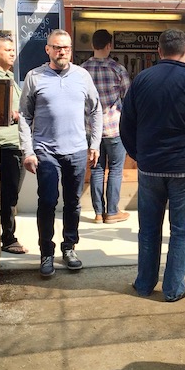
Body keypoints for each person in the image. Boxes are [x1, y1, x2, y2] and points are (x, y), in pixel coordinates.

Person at [121, 28, 185, 302]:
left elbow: (126, 125)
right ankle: (173, 288)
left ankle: (144, 283)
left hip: (150, 167)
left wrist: (138, 154)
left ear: (159, 51)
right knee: (181, 231)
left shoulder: (141, 80)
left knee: (149, 228)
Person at [19, 29, 102, 278]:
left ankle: (69, 248)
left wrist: (94, 144)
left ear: (70, 50)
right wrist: (28, 150)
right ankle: (46, 252)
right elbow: (24, 115)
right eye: (56, 47)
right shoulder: (34, 77)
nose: (61, 51)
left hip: (76, 150)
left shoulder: (82, 76)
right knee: (47, 202)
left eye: (65, 47)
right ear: (48, 50)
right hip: (46, 151)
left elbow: (96, 110)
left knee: (74, 203)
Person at [80, 29, 130, 224]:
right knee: (116, 170)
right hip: (114, 127)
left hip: (91, 129)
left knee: (96, 170)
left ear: (92, 45)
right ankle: (112, 211)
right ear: (110, 45)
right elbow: (128, 97)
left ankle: (98, 213)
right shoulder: (117, 69)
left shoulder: (82, 70)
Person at [0, 31, 28, 256]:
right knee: (9, 195)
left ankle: (6, 234)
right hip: (6, 145)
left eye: (13, 50)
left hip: (16, 144)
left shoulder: (8, 76)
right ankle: (8, 237)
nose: (12, 54)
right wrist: (15, 114)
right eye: (7, 50)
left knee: (11, 194)